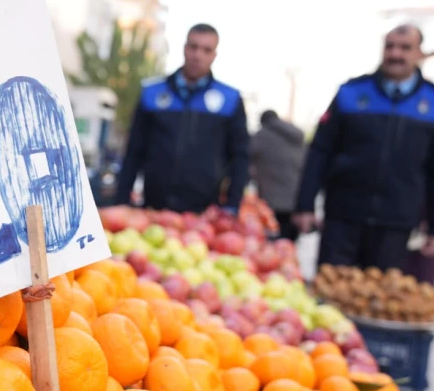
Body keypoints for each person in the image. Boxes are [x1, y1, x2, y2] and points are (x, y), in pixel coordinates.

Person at [294, 24, 434, 271]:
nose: (396, 54)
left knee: (382, 302)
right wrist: (304, 205)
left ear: (419, 54)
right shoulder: (351, 93)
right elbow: (320, 151)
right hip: (343, 219)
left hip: (396, 227)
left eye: (405, 48)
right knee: (330, 295)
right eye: (390, 46)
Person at [114, 23, 249, 214]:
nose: (197, 55)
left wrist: (232, 206)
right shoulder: (152, 93)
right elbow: (134, 150)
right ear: (185, 48)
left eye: (206, 50)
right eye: (193, 47)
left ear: (214, 55)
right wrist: (122, 198)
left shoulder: (230, 99)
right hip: (153, 208)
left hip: (204, 214)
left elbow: (240, 157)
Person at [249, 109, 306, 241]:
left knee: (273, 249)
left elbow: (243, 157)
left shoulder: (262, 136)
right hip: (296, 201)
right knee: (288, 248)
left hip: (271, 203)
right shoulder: (295, 134)